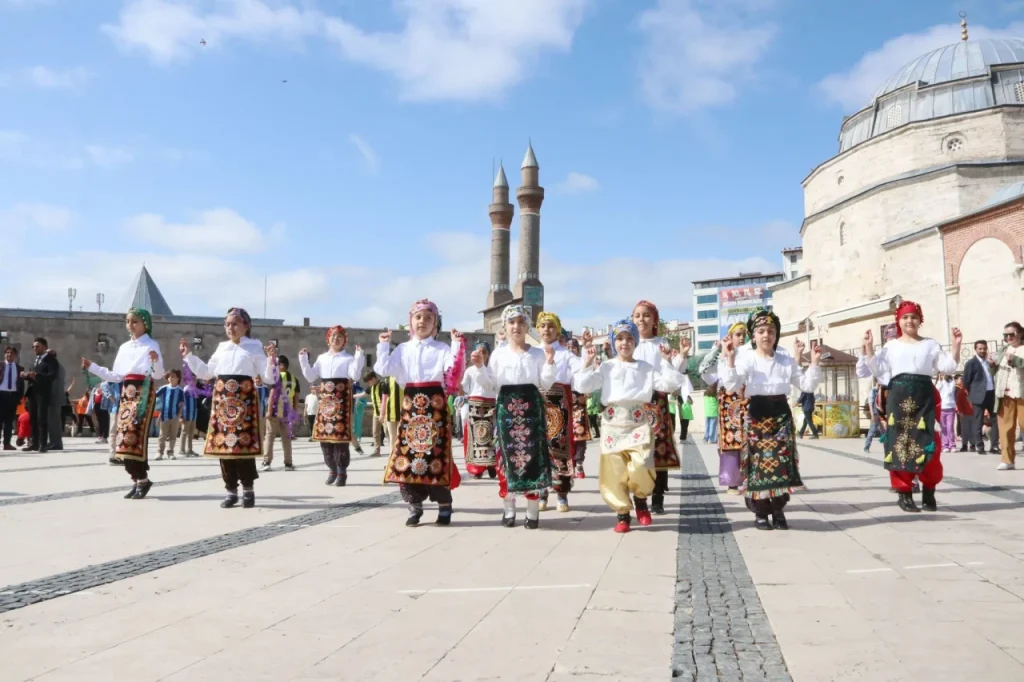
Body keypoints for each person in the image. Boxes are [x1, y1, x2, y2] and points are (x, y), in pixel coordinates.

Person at [574, 319, 684, 532]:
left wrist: (667, 362)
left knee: (642, 462)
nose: (625, 343)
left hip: (637, 423)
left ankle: (641, 499)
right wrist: (586, 363)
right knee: (614, 470)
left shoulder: (645, 368)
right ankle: (623, 514)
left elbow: (669, 384)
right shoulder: (606, 367)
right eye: (620, 338)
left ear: (636, 342)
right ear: (614, 342)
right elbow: (583, 386)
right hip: (613, 423)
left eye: (629, 338)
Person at [721, 309, 822, 530]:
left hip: (781, 414)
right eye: (761, 331)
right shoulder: (746, 358)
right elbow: (732, 385)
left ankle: (777, 509)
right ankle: (760, 512)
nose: (766, 335)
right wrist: (729, 359)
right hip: (757, 413)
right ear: (753, 335)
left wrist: (814, 363)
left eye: (770, 331)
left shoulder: (785, 358)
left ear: (776, 335)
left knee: (781, 465)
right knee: (758, 466)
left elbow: (806, 385)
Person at [857, 301, 961, 512]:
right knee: (900, 444)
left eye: (913, 317)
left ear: (920, 320)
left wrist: (956, 345)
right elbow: (878, 371)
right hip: (899, 397)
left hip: (925, 398)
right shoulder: (891, 346)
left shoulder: (930, 344)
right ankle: (904, 493)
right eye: (905, 317)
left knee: (929, 442)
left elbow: (947, 367)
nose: (909, 321)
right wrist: (868, 349)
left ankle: (929, 492)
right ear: (899, 321)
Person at [374, 299, 466, 527]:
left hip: (435, 406)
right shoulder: (403, 349)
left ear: (435, 324)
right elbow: (383, 369)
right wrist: (383, 346)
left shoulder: (442, 349)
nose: (422, 322)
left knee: (435, 456)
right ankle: (414, 506)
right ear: (410, 322)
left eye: (428, 318)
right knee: (408, 457)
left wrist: (456, 345)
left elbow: (454, 375)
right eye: (418, 317)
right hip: (410, 406)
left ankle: (444, 505)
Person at [471, 304, 555, 529]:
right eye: (511, 322)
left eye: (521, 322)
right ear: (504, 327)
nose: (516, 326)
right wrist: (480, 368)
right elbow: (490, 386)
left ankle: (533, 511)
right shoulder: (498, 354)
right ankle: (509, 510)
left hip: (532, 412)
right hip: (505, 410)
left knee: (532, 460)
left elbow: (545, 383)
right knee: (506, 460)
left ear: (528, 326)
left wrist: (549, 363)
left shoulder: (537, 353)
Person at [182, 308, 275, 509]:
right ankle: (230, 490)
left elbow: (268, 378)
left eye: (235, 323)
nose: (230, 328)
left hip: (244, 402)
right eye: (227, 324)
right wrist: (189, 356)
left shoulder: (254, 348)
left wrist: (271, 361)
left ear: (246, 325)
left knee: (242, 445)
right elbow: (207, 373)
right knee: (223, 447)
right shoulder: (222, 348)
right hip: (222, 402)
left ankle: (248, 490)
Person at [83, 309, 165, 498]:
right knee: (123, 437)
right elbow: (116, 376)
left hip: (143, 392)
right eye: (128, 321)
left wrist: (156, 360)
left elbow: (158, 374)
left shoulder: (151, 345)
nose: (131, 325)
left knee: (135, 436)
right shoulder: (125, 347)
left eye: (135, 321)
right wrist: (92, 367)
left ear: (145, 323)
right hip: (126, 393)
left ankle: (142, 478)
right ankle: (137, 479)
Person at [630, 301, 683, 515]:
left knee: (658, 449)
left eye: (646, 315)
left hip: (657, 400)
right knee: (635, 449)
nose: (641, 319)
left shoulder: (662, 344)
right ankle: (639, 494)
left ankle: (658, 496)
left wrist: (669, 361)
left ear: (654, 320)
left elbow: (670, 375)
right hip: (633, 403)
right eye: (637, 316)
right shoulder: (628, 343)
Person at [298, 325, 366, 485]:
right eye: (333, 336)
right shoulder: (322, 358)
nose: (336, 339)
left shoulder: (348, 358)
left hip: (341, 402)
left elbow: (355, 375)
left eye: (340, 337)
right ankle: (332, 468)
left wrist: (359, 357)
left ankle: (342, 470)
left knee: (340, 438)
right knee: (325, 438)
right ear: (328, 339)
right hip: (325, 403)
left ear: (344, 341)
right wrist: (303, 360)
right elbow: (310, 376)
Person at [536, 311, 580, 513]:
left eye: (551, 326)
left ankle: (561, 493)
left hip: (559, 404)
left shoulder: (566, 354)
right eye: (543, 326)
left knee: (559, 447)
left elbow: (579, 374)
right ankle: (542, 492)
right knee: (538, 448)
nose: (547, 330)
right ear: (538, 329)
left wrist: (587, 358)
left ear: (558, 330)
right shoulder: (533, 352)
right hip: (537, 403)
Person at [700, 324, 752, 494]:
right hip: (727, 404)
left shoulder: (748, 355)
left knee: (749, 440)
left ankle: (750, 478)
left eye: (743, 334)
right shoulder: (721, 359)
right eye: (737, 334)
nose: (741, 338)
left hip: (745, 402)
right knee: (730, 442)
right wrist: (718, 351)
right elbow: (705, 373)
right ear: (729, 336)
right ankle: (732, 482)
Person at [461, 340, 498, 480]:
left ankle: (491, 464)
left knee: (490, 436)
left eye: (484, 352)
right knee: (475, 436)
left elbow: (493, 386)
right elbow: (464, 386)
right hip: (475, 403)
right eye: (479, 352)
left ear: (488, 354)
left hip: (490, 404)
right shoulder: (470, 370)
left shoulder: (492, 370)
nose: (482, 354)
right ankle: (477, 468)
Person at [962, 340, 1000, 454]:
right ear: (976, 349)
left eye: (984, 348)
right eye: (980, 349)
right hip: (978, 397)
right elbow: (966, 382)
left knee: (995, 421)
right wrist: (973, 393)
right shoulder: (971, 363)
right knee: (978, 422)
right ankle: (980, 446)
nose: (983, 351)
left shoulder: (989, 361)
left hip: (991, 394)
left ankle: (994, 446)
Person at [21, 338, 59, 452]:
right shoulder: (35, 360)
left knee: (41, 418)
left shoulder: (51, 361)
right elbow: (32, 375)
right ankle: (34, 443)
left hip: (43, 393)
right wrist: (25, 375)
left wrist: (36, 376)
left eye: (37, 346)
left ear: (44, 347)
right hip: (33, 392)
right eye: (33, 347)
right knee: (33, 418)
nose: (34, 349)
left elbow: (52, 376)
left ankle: (43, 444)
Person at [995, 321, 1024, 470]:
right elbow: (995, 371)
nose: (1008, 337)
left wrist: (1016, 360)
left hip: (1021, 392)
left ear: (1019, 334)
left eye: (1011, 334)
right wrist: (991, 365)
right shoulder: (1003, 350)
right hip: (1005, 392)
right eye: (1005, 335)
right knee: (1006, 428)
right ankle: (1007, 460)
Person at [261, 353, 298, 471]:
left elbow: (272, 395)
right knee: (286, 438)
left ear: (281, 366)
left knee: (270, 436)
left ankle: (266, 461)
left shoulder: (277, 377)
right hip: (287, 412)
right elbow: (296, 398)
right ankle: (288, 463)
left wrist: (268, 410)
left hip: (275, 411)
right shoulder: (294, 379)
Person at [566, 337, 592, 478]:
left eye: (574, 347)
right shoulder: (563, 361)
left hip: (579, 401)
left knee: (579, 433)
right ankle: (569, 464)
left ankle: (579, 463)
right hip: (565, 400)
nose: (571, 350)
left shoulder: (581, 362)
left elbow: (588, 366)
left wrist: (587, 345)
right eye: (568, 347)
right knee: (566, 434)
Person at [154, 370, 185, 460]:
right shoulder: (164, 388)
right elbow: (155, 394)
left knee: (173, 435)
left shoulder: (180, 391)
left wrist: (179, 415)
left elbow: (182, 404)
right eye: (169, 377)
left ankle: (170, 452)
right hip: (164, 416)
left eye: (173, 376)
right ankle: (159, 452)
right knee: (162, 435)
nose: (171, 378)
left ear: (178, 379)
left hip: (175, 416)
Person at [0, 346, 25, 451]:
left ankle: (7, 443)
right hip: (1, 394)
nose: (9, 355)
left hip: (12, 396)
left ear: (15, 355)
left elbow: (21, 384)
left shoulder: (20, 368)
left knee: (9, 422)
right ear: (4, 354)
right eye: (7, 353)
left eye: (11, 353)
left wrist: (19, 397)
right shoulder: (0, 366)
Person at [937, 374, 957, 452]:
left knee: (950, 427)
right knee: (943, 427)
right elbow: (937, 389)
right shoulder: (941, 383)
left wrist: (945, 381)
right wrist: (939, 380)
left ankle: (952, 445)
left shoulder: (952, 382)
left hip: (950, 407)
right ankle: (944, 445)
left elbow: (949, 391)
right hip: (942, 408)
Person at [863, 379, 884, 453]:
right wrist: (872, 414)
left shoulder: (883, 390)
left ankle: (886, 448)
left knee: (884, 432)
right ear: (876, 382)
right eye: (879, 382)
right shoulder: (873, 391)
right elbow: (870, 404)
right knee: (872, 431)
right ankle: (866, 447)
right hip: (875, 413)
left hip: (882, 414)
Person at [351, 381, 367, 455]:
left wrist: (360, 403)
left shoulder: (361, 391)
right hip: (351, 410)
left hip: (357, 411)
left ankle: (358, 439)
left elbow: (364, 401)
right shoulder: (350, 390)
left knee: (357, 425)